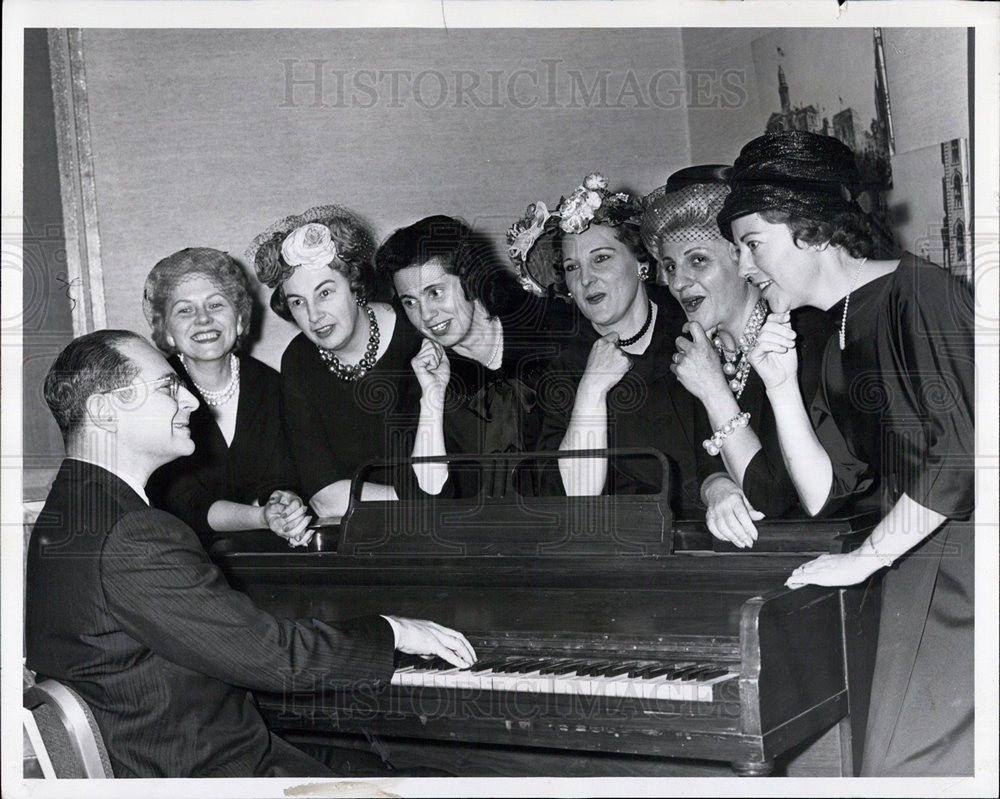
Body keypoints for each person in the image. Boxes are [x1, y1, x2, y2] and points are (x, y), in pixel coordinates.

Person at [25, 329, 476, 778]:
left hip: (159, 745)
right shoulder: (132, 532)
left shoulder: (70, 512)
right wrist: (393, 630)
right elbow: (279, 659)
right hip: (203, 769)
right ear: (105, 410)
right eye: (168, 387)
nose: (192, 401)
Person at [717, 130, 974, 776]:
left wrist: (864, 559)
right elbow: (826, 489)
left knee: (907, 765)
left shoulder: (923, 294)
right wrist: (779, 388)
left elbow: (960, 459)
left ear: (812, 228)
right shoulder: (829, 330)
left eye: (752, 244)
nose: (744, 268)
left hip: (965, 568)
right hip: (912, 563)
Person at [639, 165, 837, 546]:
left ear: (741, 259)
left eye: (698, 260)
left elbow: (773, 495)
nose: (678, 283)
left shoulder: (800, 337)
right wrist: (717, 489)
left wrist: (714, 391)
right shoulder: (707, 350)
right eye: (669, 266)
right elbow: (707, 460)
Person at [519, 173, 730, 518]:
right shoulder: (560, 366)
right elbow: (573, 497)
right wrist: (591, 389)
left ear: (641, 263)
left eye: (601, 258)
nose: (585, 279)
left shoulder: (695, 325)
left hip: (719, 527)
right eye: (572, 267)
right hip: (621, 545)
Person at [375, 215, 568, 498]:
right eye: (410, 302)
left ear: (471, 280)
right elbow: (423, 501)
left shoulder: (550, 336)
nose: (426, 315)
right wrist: (431, 399)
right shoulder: (418, 378)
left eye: (435, 293)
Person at [249, 206, 423, 517]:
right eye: (298, 302)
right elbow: (324, 496)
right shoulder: (300, 361)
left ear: (355, 284)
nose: (313, 315)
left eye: (325, 293)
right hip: (363, 535)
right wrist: (419, 503)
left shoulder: (415, 332)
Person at [142, 248, 311, 547]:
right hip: (182, 555)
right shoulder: (156, 395)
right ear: (167, 331)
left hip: (264, 552)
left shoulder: (270, 384)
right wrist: (262, 517)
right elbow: (186, 504)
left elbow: (281, 474)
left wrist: (283, 501)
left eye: (216, 305)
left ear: (240, 320)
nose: (203, 319)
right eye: (185, 310)